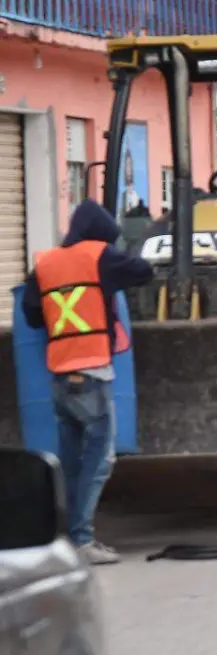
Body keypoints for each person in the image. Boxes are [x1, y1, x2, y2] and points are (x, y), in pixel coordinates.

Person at [21, 200, 153, 565]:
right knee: (99, 461)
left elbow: (32, 316)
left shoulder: (45, 263)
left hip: (60, 377)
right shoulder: (99, 256)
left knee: (70, 462)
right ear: (101, 235)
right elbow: (144, 272)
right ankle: (81, 540)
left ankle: (65, 537)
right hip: (93, 374)